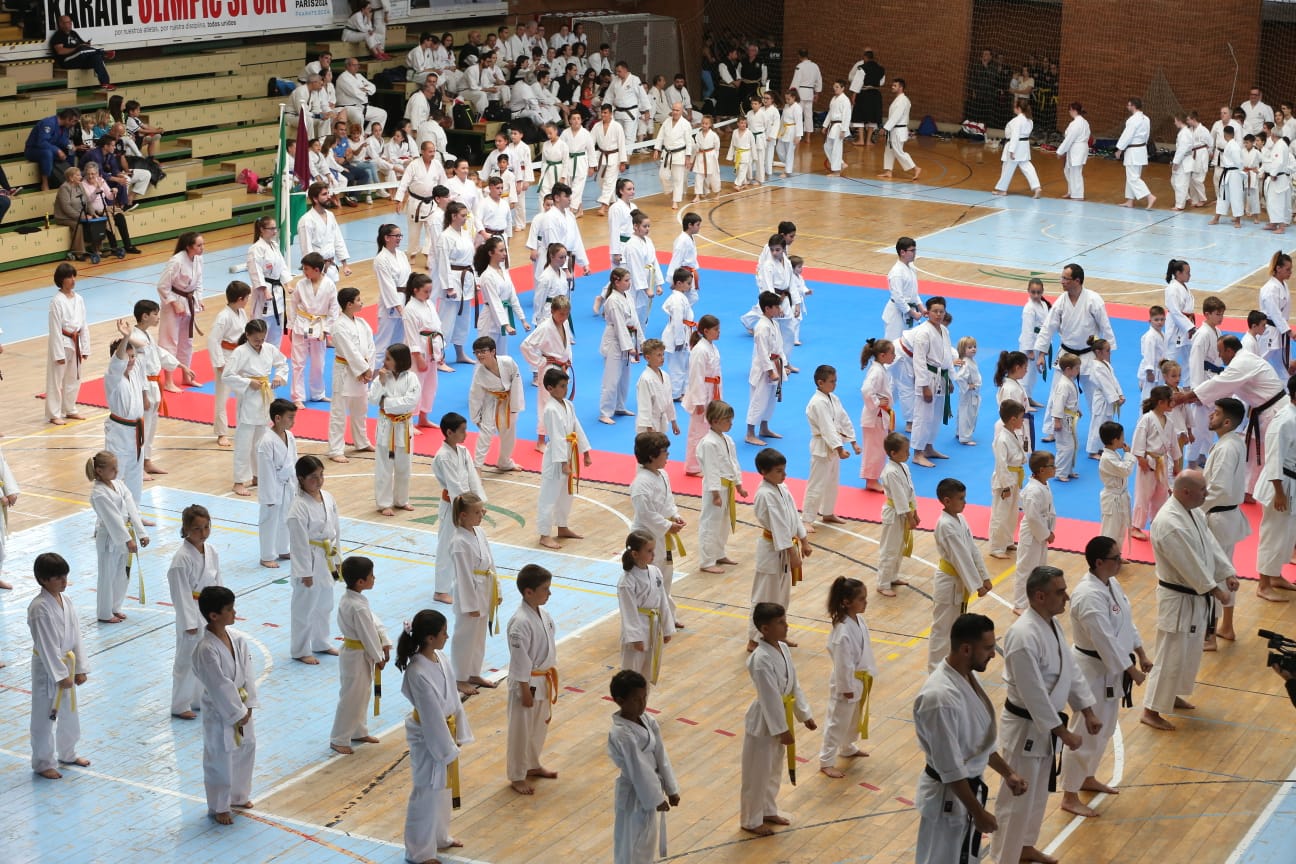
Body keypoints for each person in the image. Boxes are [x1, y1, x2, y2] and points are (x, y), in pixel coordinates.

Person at [992, 566, 1100, 864]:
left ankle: (1024, 847)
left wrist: (1087, 709)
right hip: (1026, 728)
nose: (1066, 597)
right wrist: (1062, 732)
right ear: (1039, 596)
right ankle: (1004, 858)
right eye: (1060, 591)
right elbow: (1033, 692)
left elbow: (1070, 670)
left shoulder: (1050, 624)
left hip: (1044, 727)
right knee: (1015, 800)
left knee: (1037, 794)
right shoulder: (1022, 635)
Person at [914, 612, 1027, 862]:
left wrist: (1008, 772)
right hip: (947, 797)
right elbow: (951, 767)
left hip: (965, 792)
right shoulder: (939, 698)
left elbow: (978, 743)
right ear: (966, 649)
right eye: (987, 648)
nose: (993, 654)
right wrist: (978, 812)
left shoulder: (966, 678)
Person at [1059, 536, 1152, 817]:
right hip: (1091, 670)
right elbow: (1104, 640)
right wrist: (1130, 669)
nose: (1121, 562)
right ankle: (1069, 794)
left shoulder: (1111, 583)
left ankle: (1087, 777)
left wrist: (1141, 652)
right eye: (1115, 558)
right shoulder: (1087, 596)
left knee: (1105, 729)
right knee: (1084, 731)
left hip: (1110, 669)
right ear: (1099, 562)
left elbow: (1126, 623)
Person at [1141, 471, 1240, 730]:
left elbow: (1210, 546)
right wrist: (1215, 590)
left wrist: (1226, 572)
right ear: (1185, 492)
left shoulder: (1193, 512)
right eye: (1203, 491)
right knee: (1170, 653)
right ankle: (1150, 710)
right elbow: (1189, 564)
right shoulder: (1168, 523)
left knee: (1188, 652)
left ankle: (1170, 696)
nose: (1206, 495)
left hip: (1194, 596)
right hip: (1178, 597)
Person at [397, 608, 472, 862]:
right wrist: (447, 747)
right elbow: (430, 716)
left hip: (445, 729)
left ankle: (439, 837)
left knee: (442, 788)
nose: (447, 636)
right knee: (426, 791)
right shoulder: (417, 671)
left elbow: (453, 697)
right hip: (428, 735)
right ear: (429, 638)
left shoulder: (440, 657)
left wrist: (458, 732)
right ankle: (418, 851)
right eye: (443, 633)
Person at [740, 602, 816, 835]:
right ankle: (751, 820)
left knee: (773, 769)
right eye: (780, 622)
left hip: (780, 714)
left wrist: (805, 715)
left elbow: (794, 684)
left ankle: (767, 809)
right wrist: (781, 729)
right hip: (764, 722)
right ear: (765, 628)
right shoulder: (760, 659)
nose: (786, 626)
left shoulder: (782, 648)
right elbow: (770, 697)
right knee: (757, 773)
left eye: (785, 620)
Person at [192, 585, 257, 824]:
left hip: (241, 704)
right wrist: (237, 712)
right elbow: (219, 685)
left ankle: (239, 796)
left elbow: (248, 674)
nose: (234, 613)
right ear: (214, 615)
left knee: (247, 747)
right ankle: (219, 805)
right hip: (220, 710)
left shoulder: (238, 639)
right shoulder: (206, 650)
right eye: (229, 609)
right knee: (220, 755)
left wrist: (248, 704)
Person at [607, 669, 680, 863]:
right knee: (630, 844)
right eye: (636, 700)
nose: (643, 703)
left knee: (646, 841)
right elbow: (638, 769)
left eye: (644, 697)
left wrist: (671, 788)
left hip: (649, 790)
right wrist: (656, 798)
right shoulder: (622, 733)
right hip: (633, 793)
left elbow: (660, 755)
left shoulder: (648, 720)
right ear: (620, 701)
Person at [29, 551, 90, 780]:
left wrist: (80, 667)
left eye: (65, 576)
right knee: (45, 715)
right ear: (44, 580)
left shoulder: (66, 600)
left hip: (68, 663)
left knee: (69, 711)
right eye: (58, 578)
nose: (64, 581)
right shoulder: (39, 608)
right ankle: (43, 762)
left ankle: (68, 752)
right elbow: (46, 645)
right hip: (48, 668)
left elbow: (76, 635)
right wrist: (60, 674)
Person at [164, 505, 222, 721]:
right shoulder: (181, 560)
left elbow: (218, 582)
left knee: (205, 658)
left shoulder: (212, 551)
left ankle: (198, 699)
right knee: (186, 660)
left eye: (207, 527)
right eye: (197, 528)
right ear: (186, 529)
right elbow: (180, 594)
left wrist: (222, 607)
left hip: (209, 609)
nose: (203, 532)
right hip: (191, 611)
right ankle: (180, 704)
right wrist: (189, 622)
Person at [747, 448, 809, 649]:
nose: (784, 475)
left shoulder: (782, 488)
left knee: (781, 598)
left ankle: (777, 635)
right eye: (779, 471)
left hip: (785, 547)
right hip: (772, 551)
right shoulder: (765, 494)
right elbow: (779, 526)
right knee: (764, 597)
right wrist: (793, 554)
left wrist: (804, 540)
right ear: (764, 472)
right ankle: (754, 639)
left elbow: (792, 515)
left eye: (784, 470)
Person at [506, 563, 559, 794]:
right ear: (529, 592)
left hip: (543, 680)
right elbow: (520, 660)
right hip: (526, 684)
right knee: (520, 731)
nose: (549, 593)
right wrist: (524, 689)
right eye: (545, 589)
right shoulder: (520, 623)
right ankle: (517, 775)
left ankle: (532, 764)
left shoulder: (543, 614)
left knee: (538, 727)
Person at [818, 577, 876, 778]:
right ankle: (826, 760)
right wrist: (847, 686)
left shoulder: (859, 620)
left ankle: (847, 747)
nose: (865, 602)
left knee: (852, 720)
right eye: (861, 599)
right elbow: (843, 663)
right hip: (847, 682)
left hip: (859, 679)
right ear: (846, 602)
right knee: (837, 721)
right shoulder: (843, 631)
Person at [287, 455, 341, 665]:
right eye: (312, 477)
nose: (318, 481)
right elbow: (299, 545)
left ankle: (321, 642)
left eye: (321, 475)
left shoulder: (328, 497)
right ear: (300, 479)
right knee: (304, 607)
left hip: (326, 557)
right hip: (309, 559)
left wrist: (337, 558)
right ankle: (300, 649)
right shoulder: (298, 507)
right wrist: (305, 574)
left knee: (325, 603)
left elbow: (336, 530)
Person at [449, 493, 500, 698]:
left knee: (479, 637)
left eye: (482, 511)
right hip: (469, 594)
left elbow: (491, 563)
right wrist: (470, 605)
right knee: (465, 637)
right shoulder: (459, 541)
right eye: (477, 512)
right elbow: (463, 576)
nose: (482, 515)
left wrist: (498, 590)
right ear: (463, 515)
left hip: (485, 586)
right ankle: (459, 677)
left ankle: (473, 673)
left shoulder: (479, 532)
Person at [432, 412, 485, 603]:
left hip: (467, 505)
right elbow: (455, 487)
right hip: (452, 507)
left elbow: (473, 479)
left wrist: (478, 504)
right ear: (449, 432)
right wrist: (467, 509)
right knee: (446, 547)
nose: (466, 434)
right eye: (462, 430)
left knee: (467, 545)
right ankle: (440, 590)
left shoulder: (463, 452)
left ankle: (463, 579)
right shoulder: (443, 457)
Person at [802, 364, 859, 528]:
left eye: (836, 381)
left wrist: (853, 442)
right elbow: (827, 427)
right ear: (820, 383)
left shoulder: (833, 399)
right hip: (822, 447)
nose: (835, 384)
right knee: (816, 483)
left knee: (832, 482)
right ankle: (807, 519)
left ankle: (827, 513)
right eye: (832, 381)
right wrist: (840, 448)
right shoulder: (817, 402)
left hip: (834, 447)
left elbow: (844, 419)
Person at [617, 530, 676, 685]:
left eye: (653, 550)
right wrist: (635, 638)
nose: (653, 554)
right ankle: (628, 708)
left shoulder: (655, 572)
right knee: (631, 676)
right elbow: (628, 611)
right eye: (649, 551)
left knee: (647, 674)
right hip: (637, 631)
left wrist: (667, 627)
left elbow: (662, 601)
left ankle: (642, 707)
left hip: (653, 628)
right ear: (635, 554)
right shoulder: (627, 580)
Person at [369, 343, 420, 516]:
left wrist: (388, 403)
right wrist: (382, 384)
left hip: (404, 427)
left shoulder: (412, 378)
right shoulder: (381, 377)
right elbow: (373, 400)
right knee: (384, 466)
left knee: (404, 466)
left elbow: (411, 402)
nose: (385, 361)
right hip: (386, 427)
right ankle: (384, 503)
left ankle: (401, 500)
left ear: (399, 361)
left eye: (388, 358)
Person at [327, 288, 376, 463]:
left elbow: (371, 346)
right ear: (349, 304)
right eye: (358, 300)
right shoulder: (338, 326)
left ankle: (361, 442)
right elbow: (350, 351)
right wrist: (363, 369)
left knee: (361, 410)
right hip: (346, 373)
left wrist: (369, 367)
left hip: (361, 372)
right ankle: (335, 449)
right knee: (339, 413)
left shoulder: (362, 323)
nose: (361, 302)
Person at [156, 232, 205, 393]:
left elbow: (198, 283)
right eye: (198, 245)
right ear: (188, 246)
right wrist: (174, 302)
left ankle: (186, 376)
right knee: (170, 341)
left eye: (202, 244)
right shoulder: (176, 261)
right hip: (173, 304)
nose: (202, 248)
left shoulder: (199, 259)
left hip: (189, 303)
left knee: (187, 341)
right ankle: (168, 381)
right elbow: (162, 286)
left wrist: (199, 299)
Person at [468, 335, 524, 471]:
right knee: (485, 433)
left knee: (508, 432)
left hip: (509, 400)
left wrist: (515, 406)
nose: (479, 355)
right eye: (476, 352)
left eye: (483, 351)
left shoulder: (508, 362)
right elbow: (475, 396)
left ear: (493, 351)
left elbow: (517, 383)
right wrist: (476, 417)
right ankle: (477, 467)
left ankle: (505, 462)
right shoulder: (479, 372)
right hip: (491, 401)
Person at [207, 283, 251, 451]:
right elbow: (213, 340)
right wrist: (219, 363)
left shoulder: (241, 312)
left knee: (243, 395)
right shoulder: (223, 316)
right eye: (246, 298)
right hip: (225, 357)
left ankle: (243, 427)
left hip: (239, 356)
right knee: (222, 397)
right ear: (240, 299)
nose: (248, 300)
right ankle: (222, 432)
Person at [910, 296, 953, 467]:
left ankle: (928, 447)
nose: (938, 314)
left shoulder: (944, 330)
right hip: (928, 376)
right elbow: (918, 361)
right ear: (928, 313)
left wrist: (950, 378)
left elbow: (948, 356)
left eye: (941, 311)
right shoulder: (923, 333)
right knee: (923, 416)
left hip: (941, 376)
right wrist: (924, 386)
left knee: (935, 416)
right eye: (935, 311)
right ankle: (917, 453)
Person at [45, 263, 89, 426]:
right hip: (62, 342)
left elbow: (84, 324)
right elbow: (55, 328)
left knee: (74, 378)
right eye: (69, 277)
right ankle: (53, 413)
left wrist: (85, 347)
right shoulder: (56, 301)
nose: (72, 280)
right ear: (61, 280)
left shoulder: (79, 299)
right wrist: (58, 354)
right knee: (55, 381)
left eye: (73, 276)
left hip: (75, 341)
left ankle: (70, 409)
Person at [257, 399, 298, 568]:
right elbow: (266, 472)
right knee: (270, 521)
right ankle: (267, 555)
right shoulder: (266, 442)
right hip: (273, 486)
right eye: (290, 417)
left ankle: (283, 548)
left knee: (286, 519)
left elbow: (294, 461)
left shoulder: (290, 436)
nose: (293, 421)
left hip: (288, 484)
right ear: (278, 418)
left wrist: (297, 486)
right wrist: (269, 496)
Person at [990, 400, 1029, 559]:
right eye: (1021, 417)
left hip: (1014, 476)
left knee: (1012, 512)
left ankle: (1007, 541)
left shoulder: (1013, 433)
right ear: (1013, 419)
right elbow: (1001, 464)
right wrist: (1005, 486)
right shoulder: (1002, 439)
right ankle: (996, 547)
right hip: (1004, 480)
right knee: (1001, 514)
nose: (1023, 420)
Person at [246, 217, 292, 349]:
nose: (275, 231)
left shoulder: (274, 245)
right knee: (261, 327)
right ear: (261, 230)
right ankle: (256, 356)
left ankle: (273, 355)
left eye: (275, 228)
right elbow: (255, 271)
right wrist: (265, 290)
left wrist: (287, 284)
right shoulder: (255, 249)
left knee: (276, 328)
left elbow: (282, 266)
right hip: (264, 293)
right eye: (271, 228)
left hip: (277, 291)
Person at [49, 16, 112, 88]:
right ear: (61, 24)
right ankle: (103, 53)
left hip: (80, 60)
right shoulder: (58, 36)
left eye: (70, 22)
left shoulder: (73, 33)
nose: (70, 24)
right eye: (67, 22)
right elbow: (60, 51)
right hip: (68, 61)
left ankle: (105, 83)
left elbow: (82, 45)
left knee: (96, 57)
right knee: (82, 50)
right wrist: (77, 48)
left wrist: (86, 44)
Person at [994, 100, 1040, 197]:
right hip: (1024, 145)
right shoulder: (1029, 120)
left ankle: (1002, 190)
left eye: (1014, 107)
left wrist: (1011, 150)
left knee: (1007, 167)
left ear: (1019, 109)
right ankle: (1036, 187)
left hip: (1015, 145)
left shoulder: (1017, 120)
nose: (1013, 108)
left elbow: (1015, 136)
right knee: (1027, 166)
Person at [1047, 353, 1083, 477]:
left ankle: (1067, 470)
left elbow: (1070, 401)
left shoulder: (1069, 381)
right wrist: (1057, 420)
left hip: (1070, 417)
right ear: (1068, 369)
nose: (1079, 370)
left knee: (1073, 445)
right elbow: (1058, 404)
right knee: (1065, 446)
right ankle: (1060, 473)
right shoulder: (1063, 385)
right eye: (1077, 368)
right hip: (1063, 420)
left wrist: (1077, 409)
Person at [1116, 97, 1156, 208]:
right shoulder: (1146, 119)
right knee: (1133, 176)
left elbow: (1127, 136)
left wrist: (1120, 149)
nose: (1127, 107)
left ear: (1133, 106)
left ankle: (1149, 196)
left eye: (1129, 105)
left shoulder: (1132, 120)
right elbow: (1147, 135)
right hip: (1141, 150)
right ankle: (1130, 201)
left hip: (1133, 151)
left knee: (1133, 178)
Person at [26, 108, 79, 191]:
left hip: (51, 149)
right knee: (47, 153)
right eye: (74, 121)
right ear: (68, 119)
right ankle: (45, 183)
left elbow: (63, 140)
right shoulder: (48, 123)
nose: (74, 124)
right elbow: (42, 142)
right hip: (34, 150)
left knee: (71, 149)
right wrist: (57, 150)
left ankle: (72, 176)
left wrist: (70, 146)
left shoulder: (65, 127)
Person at [654, 102, 694, 210]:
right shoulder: (666, 122)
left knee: (678, 179)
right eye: (674, 110)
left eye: (677, 110)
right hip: (667, 154)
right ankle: (670, 191)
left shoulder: (685, 124)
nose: (675, 112)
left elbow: (689, 142)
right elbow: (660, 136)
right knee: (663, 176)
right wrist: (657, 149)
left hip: (679, 154)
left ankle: (676, 201)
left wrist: (688, 157)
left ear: (682, 111)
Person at [879, 79, 920, 180]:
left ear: (901, 87)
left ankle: (915, 168)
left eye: (895, 85)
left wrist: (885, 128)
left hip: (898, 130)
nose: (892, 87)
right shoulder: (898, 99)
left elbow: (896, 117)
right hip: (894, 129)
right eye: (892, 85)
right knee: (889, 150)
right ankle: (888, 171)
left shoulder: (903, 100)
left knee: (898, 151)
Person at [849, 50, 885, 147]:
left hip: (864, 94)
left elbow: (857, 83)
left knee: (859, 116)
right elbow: (881, 83)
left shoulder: (862, 68)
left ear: (865, 57)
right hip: (875, 94)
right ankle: (868, 141)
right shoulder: (881, 69)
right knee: (872, 118)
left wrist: (853, 96)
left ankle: (861, 140)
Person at [1056, 102, 1090, 199]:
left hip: (1077, 148)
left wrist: (1060, 151)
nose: (1069, 112)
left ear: (1074, 111)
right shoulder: (1084, 122)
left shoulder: (1076, 123)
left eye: (1070, 110)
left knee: (1076, 172)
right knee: (1068, 170)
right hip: (1079, 148)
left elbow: (1069, 138)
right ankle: (1071, 191)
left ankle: (1078, 195)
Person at [822, 80, 851, 175]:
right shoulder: (834, 98)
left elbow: (847, 116)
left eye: (837, 87)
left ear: (843, 88)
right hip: (833, 125)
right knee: (827, 146)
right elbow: (830, 113)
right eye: (834, 86)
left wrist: (843, 130)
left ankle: (836, 171)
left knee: (836, 148)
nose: (835, 88)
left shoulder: (845, 100)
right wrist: (825, 125)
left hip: (839, 126)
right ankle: (841, 163)